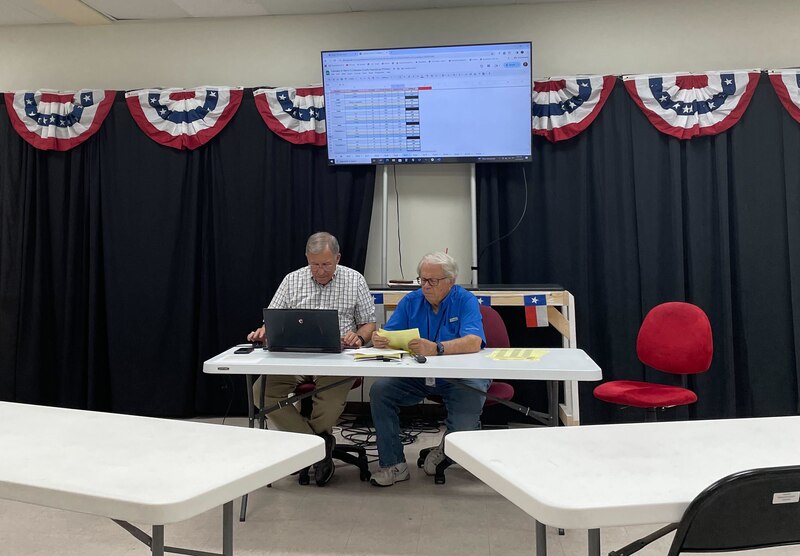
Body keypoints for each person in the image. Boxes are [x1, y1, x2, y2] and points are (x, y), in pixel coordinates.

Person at [247, 232, 376, 486]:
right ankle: (319, 447)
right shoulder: (291, 280)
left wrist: (359, 338)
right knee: (261, 391)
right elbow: (271, 321)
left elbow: (369, 324)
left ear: (337, 258)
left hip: (337, 358)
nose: (320, 271)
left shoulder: (354, 279)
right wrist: (264, 333)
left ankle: (309, 449)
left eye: (326, 264)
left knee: (329, 400)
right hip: (293, 357)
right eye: (314, 264)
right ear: (307, 258)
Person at [368, 252, 487, 487]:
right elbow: (390, 334)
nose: (426, 286)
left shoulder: (466, 300)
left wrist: (438, 348)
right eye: (422, 280)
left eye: (433, 281)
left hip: (460, 377)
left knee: (471, 400)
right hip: (419, 376)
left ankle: (447, 449)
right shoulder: (411, 300)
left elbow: (474, 341)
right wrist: (379, 339)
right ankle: (394, 465)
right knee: (380, 391)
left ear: (451, 281)